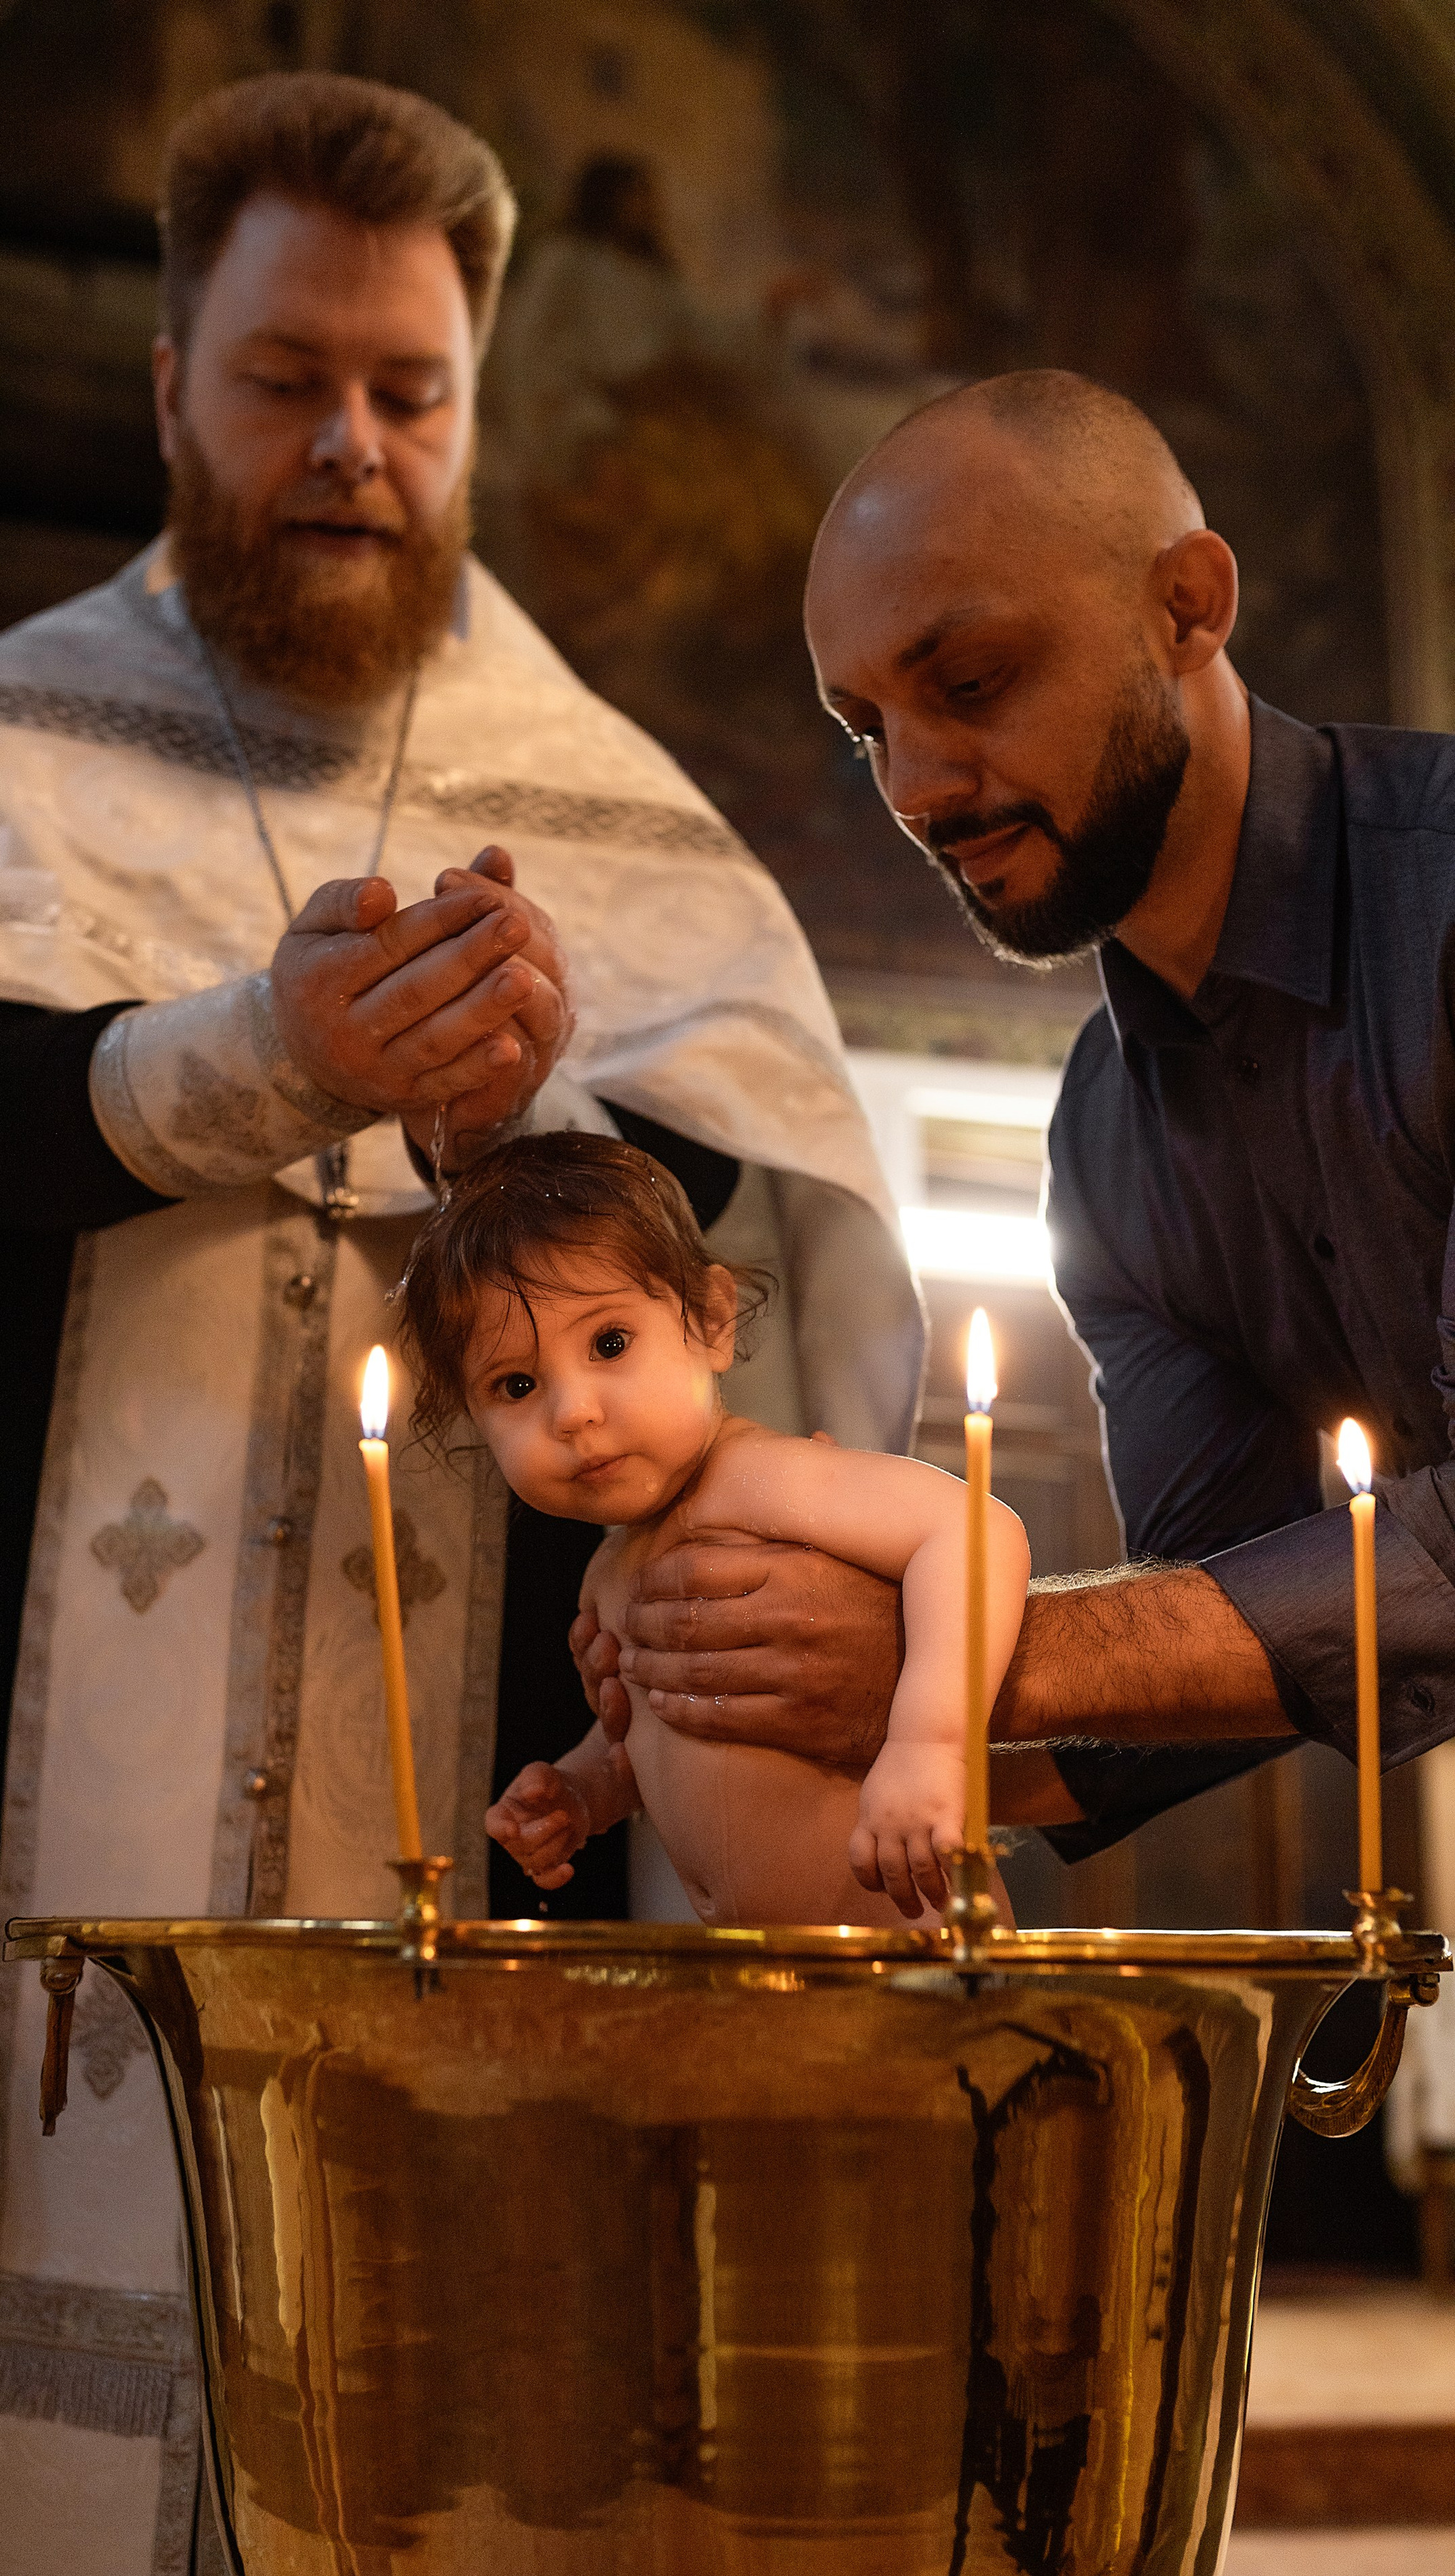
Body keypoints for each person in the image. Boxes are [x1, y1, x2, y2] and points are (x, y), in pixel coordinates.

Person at [0, 71, 922, 2576]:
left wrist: (517, 1139)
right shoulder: (3, 751)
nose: (350, 445)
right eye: (285, 376)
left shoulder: (601, 811)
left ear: (472, 405)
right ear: (171, 387)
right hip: (37, 1819)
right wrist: (256, 1048)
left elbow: (715, 1225)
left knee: (464, 2523)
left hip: (479, 1841)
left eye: (408, 391)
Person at [576, 364, 1455, 1894]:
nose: (912, 788)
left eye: (967, 684)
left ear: (1184, 606)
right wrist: (768, 1717)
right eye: (865, 731)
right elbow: (1213, 1631)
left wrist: (949, 1646)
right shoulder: (1104, 1140)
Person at [401, 1136, 1026, 1924]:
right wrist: (584, 1789)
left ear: (710, 1320)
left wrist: (931, 1748)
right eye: (516, 1384)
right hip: (763, 1982)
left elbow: (973, 1533)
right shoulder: (610, 1570)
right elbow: (672, 1728)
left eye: (609, 1344)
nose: (574, 1412)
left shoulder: (761, 1481)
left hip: (913, 1949)